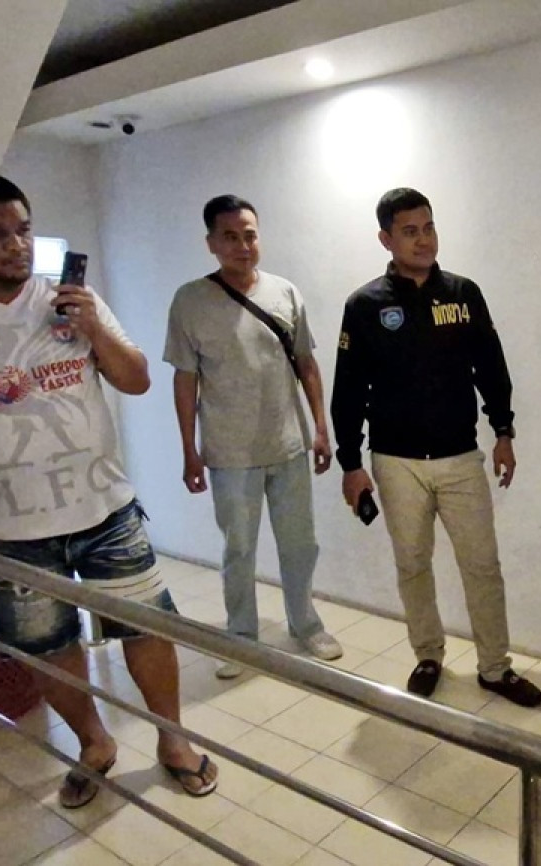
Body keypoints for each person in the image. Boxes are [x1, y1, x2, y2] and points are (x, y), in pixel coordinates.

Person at [0, 176, 218, 807]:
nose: (15, 245)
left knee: (147, 629)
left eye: (22, 230)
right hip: (12, 529)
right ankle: (94, 743)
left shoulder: (71, 299)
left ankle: (173, 739)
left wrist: (94, 327)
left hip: (107, 510)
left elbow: (136, 380)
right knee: (46, 649)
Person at [330, 187, 541, 707]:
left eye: (428, 228)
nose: (423, 240)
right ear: (386, 238)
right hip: (395, 461)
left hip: (460, 457)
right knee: (412, 563)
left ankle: (495, 667)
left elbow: (491, 368)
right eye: (410, 231)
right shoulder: (364, 305)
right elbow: (348, 390)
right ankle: (428, 655)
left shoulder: (464, 294)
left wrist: (504, 432)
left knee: (483, 566)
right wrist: (351, 464)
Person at [164, 195, 344, 679]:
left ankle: (305, 624)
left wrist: (320, 428)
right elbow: (185, 379)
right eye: (230, 237)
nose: (242, 246)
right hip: (229, 451)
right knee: (239, 549)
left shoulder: (284, 292)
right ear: (211, 243)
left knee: (300, 544)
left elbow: (306, 363)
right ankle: (241, 636)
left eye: (250, 235)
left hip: (288, 443)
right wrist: (189, 450)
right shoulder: (190, 301)